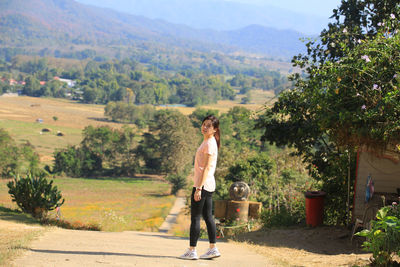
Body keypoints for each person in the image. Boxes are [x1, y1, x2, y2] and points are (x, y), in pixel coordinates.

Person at [179, 115, 221, 260]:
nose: (205, 127)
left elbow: (207, 168)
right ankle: (213, 248)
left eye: (209, 126)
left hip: (202, 185)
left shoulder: (209, 143)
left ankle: (192, 250)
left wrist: (198, 188)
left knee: (196, 218)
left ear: (215, 129)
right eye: (204, 124)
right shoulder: (210, 142)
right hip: (208, 184)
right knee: (208, 217)